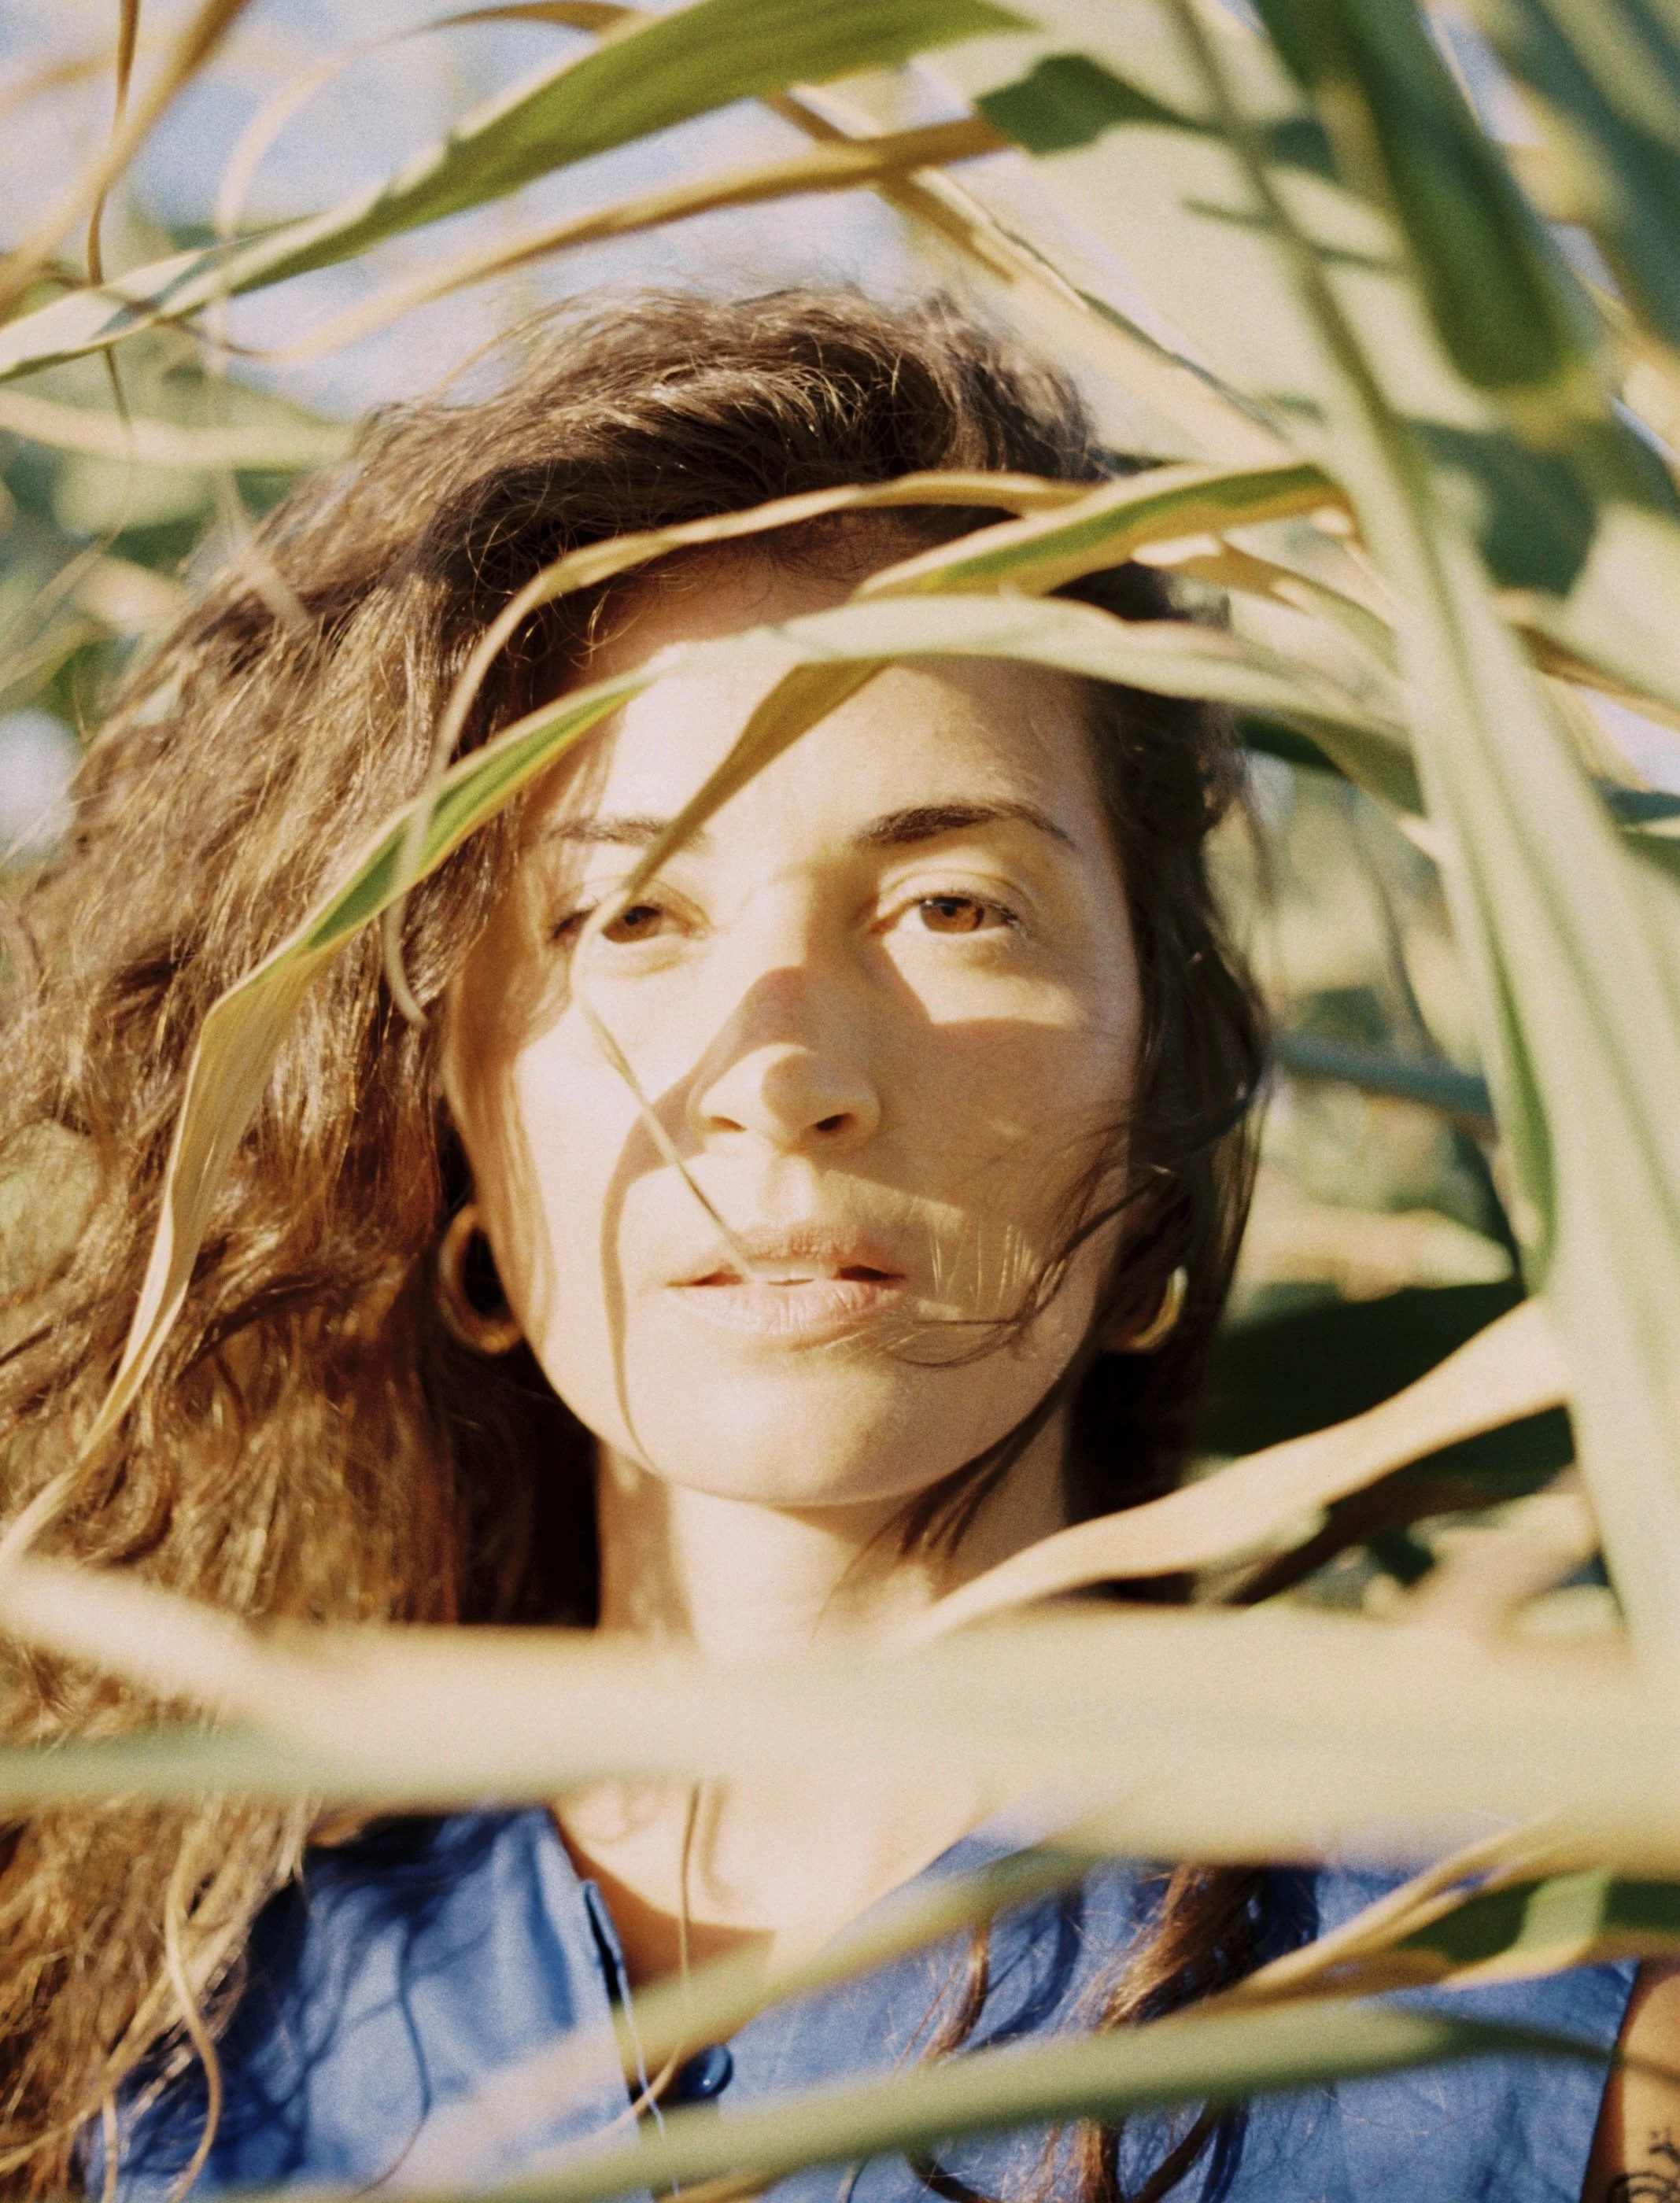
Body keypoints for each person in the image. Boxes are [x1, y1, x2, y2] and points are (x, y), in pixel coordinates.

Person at [0, 292, 1664, 2203]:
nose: (779, 1071)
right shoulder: (181, 2062)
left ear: (1160, 1076)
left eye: (955, 903)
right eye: (626, 918)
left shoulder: (1536, 2030)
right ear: (445, 1129)